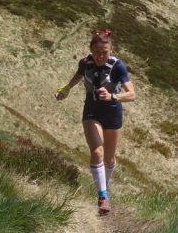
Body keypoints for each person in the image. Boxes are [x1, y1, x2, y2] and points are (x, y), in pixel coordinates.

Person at [55, 29, 136, 216]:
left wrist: (112, 95)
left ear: (111, 50)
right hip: (91, 111)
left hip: (113, 113)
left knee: (109, 158)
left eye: (105, 52)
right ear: (91, 50)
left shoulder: (118, 66)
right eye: (97, 52)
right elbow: (78, 75)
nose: (100, 56)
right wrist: (66, 89)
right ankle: (102, 196)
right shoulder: (85, 63)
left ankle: (104, 188)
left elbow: (132, 94)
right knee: (97, 151)